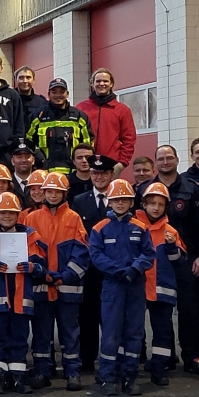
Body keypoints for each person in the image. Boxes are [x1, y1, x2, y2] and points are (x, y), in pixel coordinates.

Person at [145, 145, 199, 376]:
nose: (165, 162)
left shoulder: (190, 189)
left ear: (177, 159)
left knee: (190, 309)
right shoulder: (145, 189)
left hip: (187, 258)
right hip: (157, 260)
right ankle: (166, 355)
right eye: (160, 158)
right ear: (156, 162)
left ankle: (192, 356)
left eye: (169, 158)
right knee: (160, 309)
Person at [0, 191, 45, 394]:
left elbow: (42, 268)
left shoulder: (31, 238)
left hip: (22, 299)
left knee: (20, 339)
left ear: (18, 214)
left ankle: (19, 377)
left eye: (11, 213)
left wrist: (32, 268)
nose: (6, 217)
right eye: (3, 213)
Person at [87, 179, 154, 395]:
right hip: (112, 286)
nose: (120, 203)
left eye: (124, 199)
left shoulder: (141, 227)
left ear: (131, 202)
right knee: (111, 332)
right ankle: (108, 377)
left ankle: (130, 376)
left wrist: (134, 269)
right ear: (109, 201)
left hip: (135, 285)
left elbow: (149, 254)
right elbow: (95, 255)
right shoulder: (100, 228)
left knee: (134, 332)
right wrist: (118, 271)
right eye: (116, 199)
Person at [24, 172, 87, 390]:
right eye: (48, 191)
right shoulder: (31, 218)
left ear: (64, 193)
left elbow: (81, 251)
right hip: (41, 286)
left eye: (56, 191)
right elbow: (29, 250)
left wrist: (66, 275)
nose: (51, 195)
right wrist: (42, 273)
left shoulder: (74, 218)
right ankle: (42, 371)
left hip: (67, 287)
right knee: (41, 332)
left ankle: (73, 372)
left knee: (70, 332)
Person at [71, 154, 119, 371]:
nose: (99, 177)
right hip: (89, 269)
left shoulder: (123, 198)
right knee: (87, 315)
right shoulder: (80, 201)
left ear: (111, 174)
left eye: (104, 173)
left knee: (114, 315)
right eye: (95, 173)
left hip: (115, 268)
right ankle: (88, 358)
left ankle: (116, 357)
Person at [138, 183, 185, 387]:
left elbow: (180, 260)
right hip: (137, 288)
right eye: (152, 204)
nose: (156, 208)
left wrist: (171, 246)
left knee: (162, 331)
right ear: (144, 205)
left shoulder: (170, 231)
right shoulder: (134, 226)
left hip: (162, 289)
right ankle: (128, 368)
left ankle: (160, 368)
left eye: (160, 204)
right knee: (133, 330)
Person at [25, 77, 92, 176]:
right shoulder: (38, 116)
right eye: (54, 92)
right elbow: (27, 139)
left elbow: (88, 142)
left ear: (67, 94)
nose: (58, 95)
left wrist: (82, 161)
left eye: (62, 92)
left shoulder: (79, 116)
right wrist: (38, 157)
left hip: (73, 173)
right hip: (44, 172)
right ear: (48, 94)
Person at [76, 68, 136, 175]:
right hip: (85, 166)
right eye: (98, 81)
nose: (102, 84)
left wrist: (121, 163)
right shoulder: (81, 108)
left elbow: (129, 140)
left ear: (111, 84)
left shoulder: (122, 110)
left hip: (110, 165)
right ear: (92, 84)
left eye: (105, 81)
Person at [11, 65, 48, 136]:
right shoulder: (8, 101)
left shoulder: (42, 103)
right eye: (21, 78)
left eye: (28, 78)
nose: (25, 81)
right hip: (13, 143)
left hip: (34, 143)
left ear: (33, 80)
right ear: (16, 80)